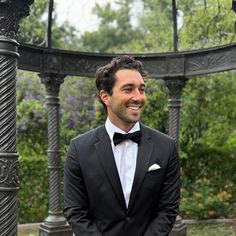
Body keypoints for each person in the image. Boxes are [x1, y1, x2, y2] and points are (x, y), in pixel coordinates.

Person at [63, 55, 180, 236]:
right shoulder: (79, 149)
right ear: (105, 97)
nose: (138, 97)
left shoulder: (167, 147)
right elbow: (76, 211)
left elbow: (167, 210)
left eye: (141, 89)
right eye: (128, 89)